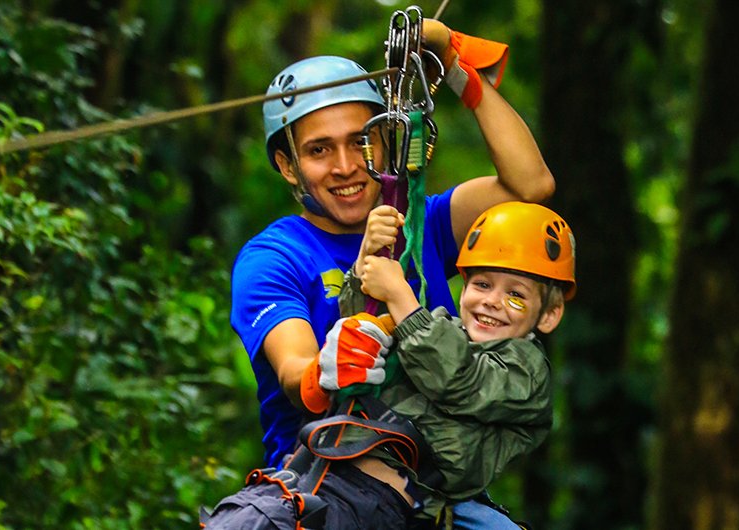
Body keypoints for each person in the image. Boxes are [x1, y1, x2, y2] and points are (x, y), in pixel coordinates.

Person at [230, 18, 555, 470]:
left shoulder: (424, 225)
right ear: (287, 165)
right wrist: (325, 371)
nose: (345, 167)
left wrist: (455, 64)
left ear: (385, 142)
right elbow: (293, 369)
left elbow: (531, 184)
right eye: (319, 150)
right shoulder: (275, 258)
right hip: (328, 487)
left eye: (360, 141)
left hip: (434, 490)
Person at [207, 201, 577, 529]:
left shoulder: (526, 372)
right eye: (482, 284)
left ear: (549, 315)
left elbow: (458, 379)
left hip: (401, 501)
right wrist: (365, 265)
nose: (492, 301)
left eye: (515, 295)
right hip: (334, 469)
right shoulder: (442, 330)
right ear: (463, 287)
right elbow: (366, 330)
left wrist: (402, 297)